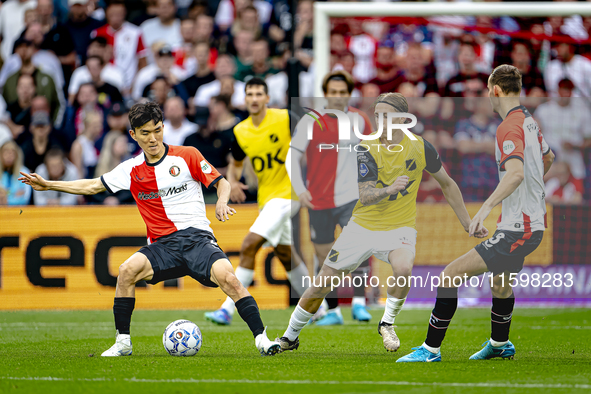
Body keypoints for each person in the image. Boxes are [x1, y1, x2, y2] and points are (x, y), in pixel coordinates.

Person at [19, 101, 282, 356]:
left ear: (163, 128)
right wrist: (50, 185)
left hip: (197, 239)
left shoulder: (187, 155)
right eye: (145, 133)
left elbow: (222, 183)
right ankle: (123, 343)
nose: (153, 138)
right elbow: (92, 186)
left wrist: (222, 202)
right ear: (133, 135)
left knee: (231, 279)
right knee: (126, 272)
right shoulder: (131, 169)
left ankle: (261, 339)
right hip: (162, 246)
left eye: (157, 130)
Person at [277, 92, 476, 353]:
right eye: (378, 114)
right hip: (363, 226)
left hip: (400, 226)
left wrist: (467, 223)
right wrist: (390, 189)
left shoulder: (421, 147)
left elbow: (448, 184)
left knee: (403, 269)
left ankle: (387, 323)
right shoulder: (367, 147)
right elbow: (366, 195)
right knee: (323, 282)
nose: (381, 120)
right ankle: (290, 337)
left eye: (387, 114)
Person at [397, 64, 555, 363]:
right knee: (499, 283)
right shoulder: (529, 121)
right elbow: (548, 158)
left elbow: (516, 173)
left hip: (518, 228)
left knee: (449, 276)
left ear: (494, 90)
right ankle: (499, 344)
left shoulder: (507, 126)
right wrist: (533, 195)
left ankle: (430, 350)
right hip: (528, 223)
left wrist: (484, 208)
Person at [204, 78, 309, 325]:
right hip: (267, 198)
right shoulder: (241, 131)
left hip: (289, 194)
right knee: (286, 255)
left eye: (258, 94)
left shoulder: (285, 118)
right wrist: (234, 183)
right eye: (249, 94)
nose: (253, 98)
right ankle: (321, 308)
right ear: (244, 99)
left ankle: (227, 309)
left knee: (249, 245)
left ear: (266, 98)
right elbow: (235, 164)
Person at [288, 70, 373, 326]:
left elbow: (373, 155)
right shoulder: (310, 121)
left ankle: (359, 302)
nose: (337, 97)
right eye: (332, 92)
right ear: (325, 94)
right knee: (326, 258)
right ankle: (334, 311)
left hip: (351, 198)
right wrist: (300, 189)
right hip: (318, 200)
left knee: (359, 247)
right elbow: (291, 157)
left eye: (342, 92)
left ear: (348, 93)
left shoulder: (360, 120)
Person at [0, 140, 31, 205]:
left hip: (18, 211)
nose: (9, 155)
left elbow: (25, 198)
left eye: (12, 152)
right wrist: (14, 196)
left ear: (17, 155)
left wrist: (6, 200)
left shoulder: (24, 173)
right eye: (6, 152)